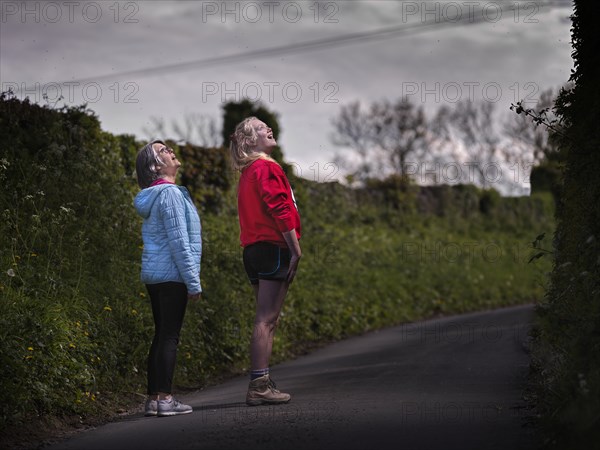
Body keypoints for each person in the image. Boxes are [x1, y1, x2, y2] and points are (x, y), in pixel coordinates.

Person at [230, 117, 302, 406]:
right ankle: (259, 385)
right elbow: (280, 208)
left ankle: (262, 381)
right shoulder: (266, 167)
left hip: (252, 250)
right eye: (261, 128)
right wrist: (295, 249)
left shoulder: (248, 171)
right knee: (266, 320)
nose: (268, 129)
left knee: (265, 318)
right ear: (249, 140)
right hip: (273, 248)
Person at [134, 139, 202, 417]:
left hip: (155, 275)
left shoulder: (156, 195)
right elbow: (179, 242)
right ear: (155, 165)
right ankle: (165, 398)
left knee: (162, 335)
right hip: (171, 275)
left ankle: (153, 399)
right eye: (163, 151)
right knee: (169, 337)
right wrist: (193, 281)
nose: (171, 151)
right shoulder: (170, 194)